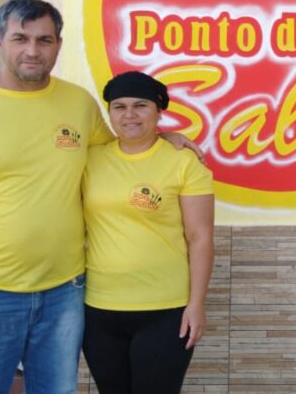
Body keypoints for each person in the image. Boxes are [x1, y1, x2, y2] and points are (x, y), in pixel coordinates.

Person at [0, 0, 199, 394]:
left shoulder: (78, 103)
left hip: (66, 293)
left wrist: (162, 135)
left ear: (58, 45)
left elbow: (121, 149)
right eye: (20, 38)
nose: (32, 50)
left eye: (43, 40)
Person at [80, 71, 214, 394]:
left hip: (165, 311)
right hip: (99, 310)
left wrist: (196, 304)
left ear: (159, 112)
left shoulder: (184, 163)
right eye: (119, 106)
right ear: (109, 112)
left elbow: (201, 238)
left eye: (141, 106)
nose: (129, 115)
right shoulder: (90, 158)